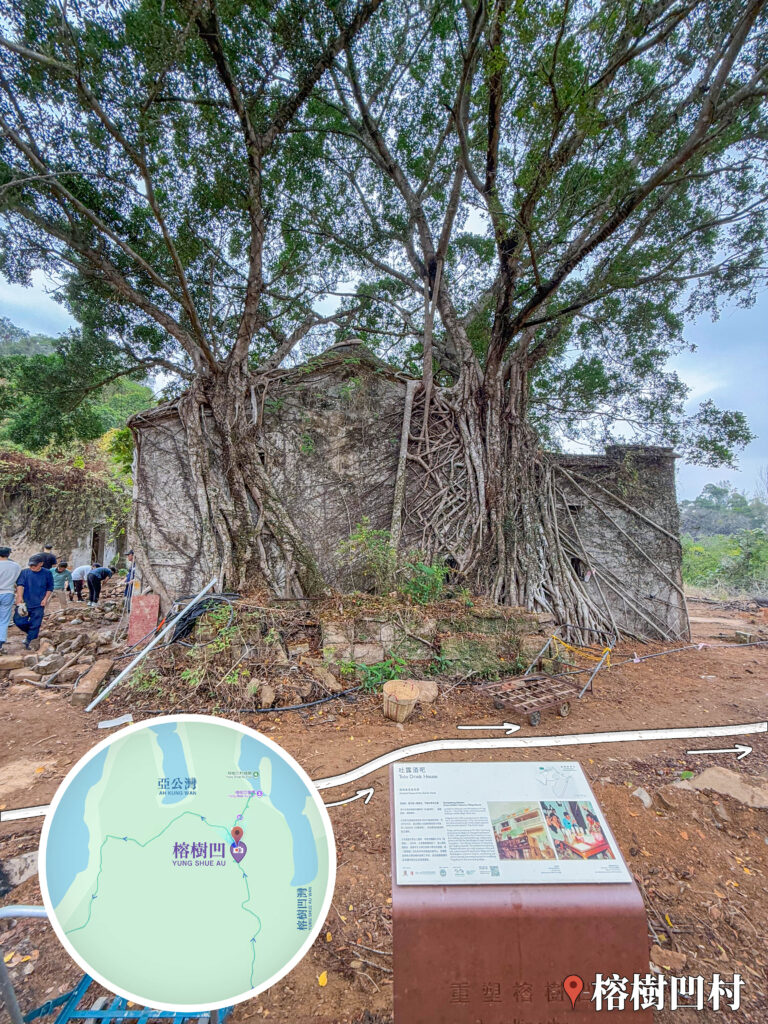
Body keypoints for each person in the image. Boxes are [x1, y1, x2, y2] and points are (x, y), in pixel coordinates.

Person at [15, 554, 54, 650]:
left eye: (34, 565)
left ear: (41, 564)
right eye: (31, 565)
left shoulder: (47, 573)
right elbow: (20, 584)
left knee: (35, 623)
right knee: (18, 621)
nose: (32, 567)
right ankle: (31, 633)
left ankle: (30, 642)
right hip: (25, 603)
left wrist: (45, 599)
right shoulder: (24, 572)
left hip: (39, 603)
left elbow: (50, 588)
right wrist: (19, 597)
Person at [0, 546, 22, 653]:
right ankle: (0, 641)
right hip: (8, 593)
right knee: (4, 619)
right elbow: (19, 583)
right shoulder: (16, 566)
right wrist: (19, 596)